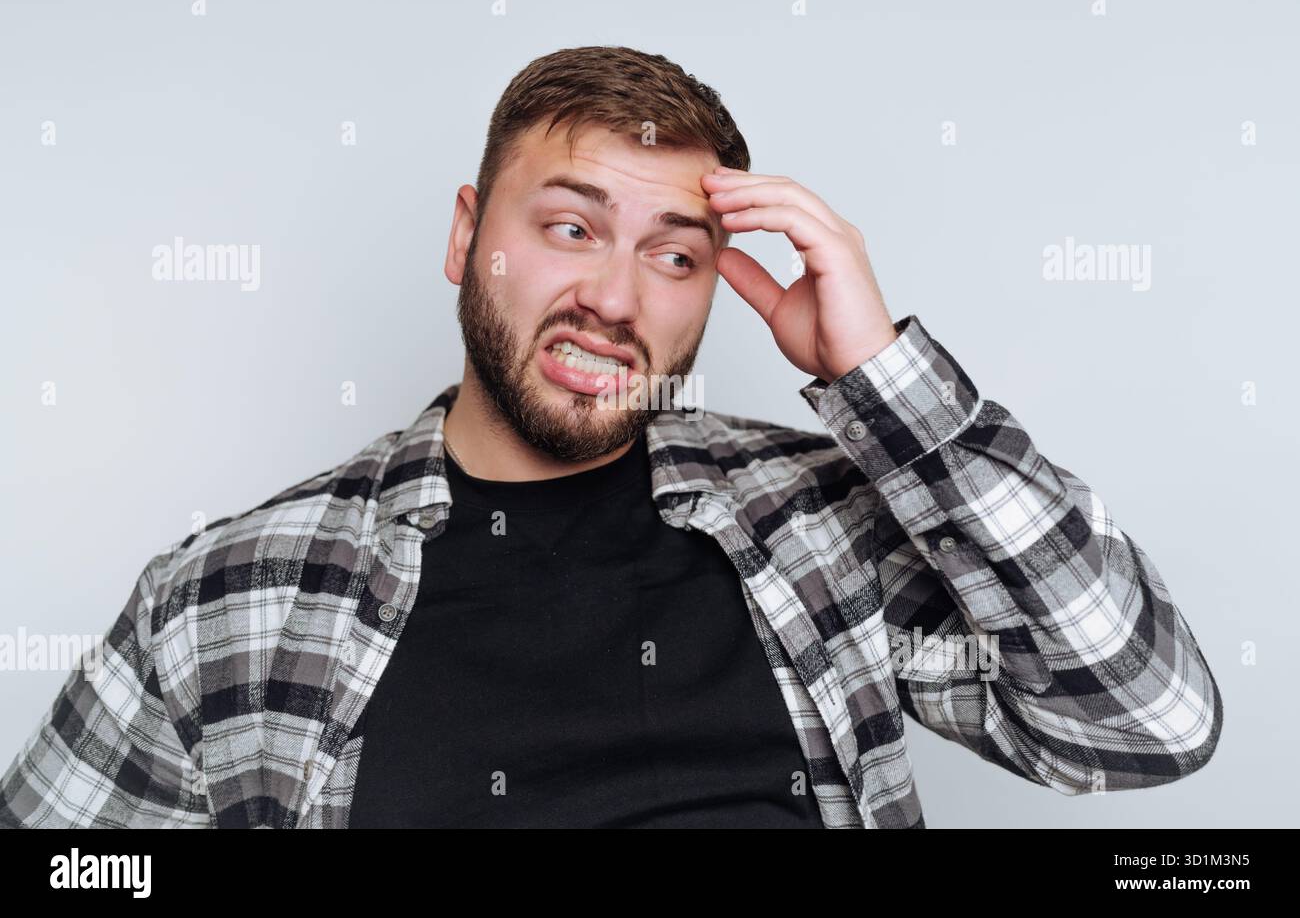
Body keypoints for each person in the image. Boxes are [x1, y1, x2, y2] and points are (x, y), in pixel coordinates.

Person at [0, 45, 1222, 829]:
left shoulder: (822, 525)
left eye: (675, 256)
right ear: (466, 236)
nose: (618, 299)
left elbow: (1142, 721)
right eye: (572, 230)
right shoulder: (230, 593)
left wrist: (884, 377)